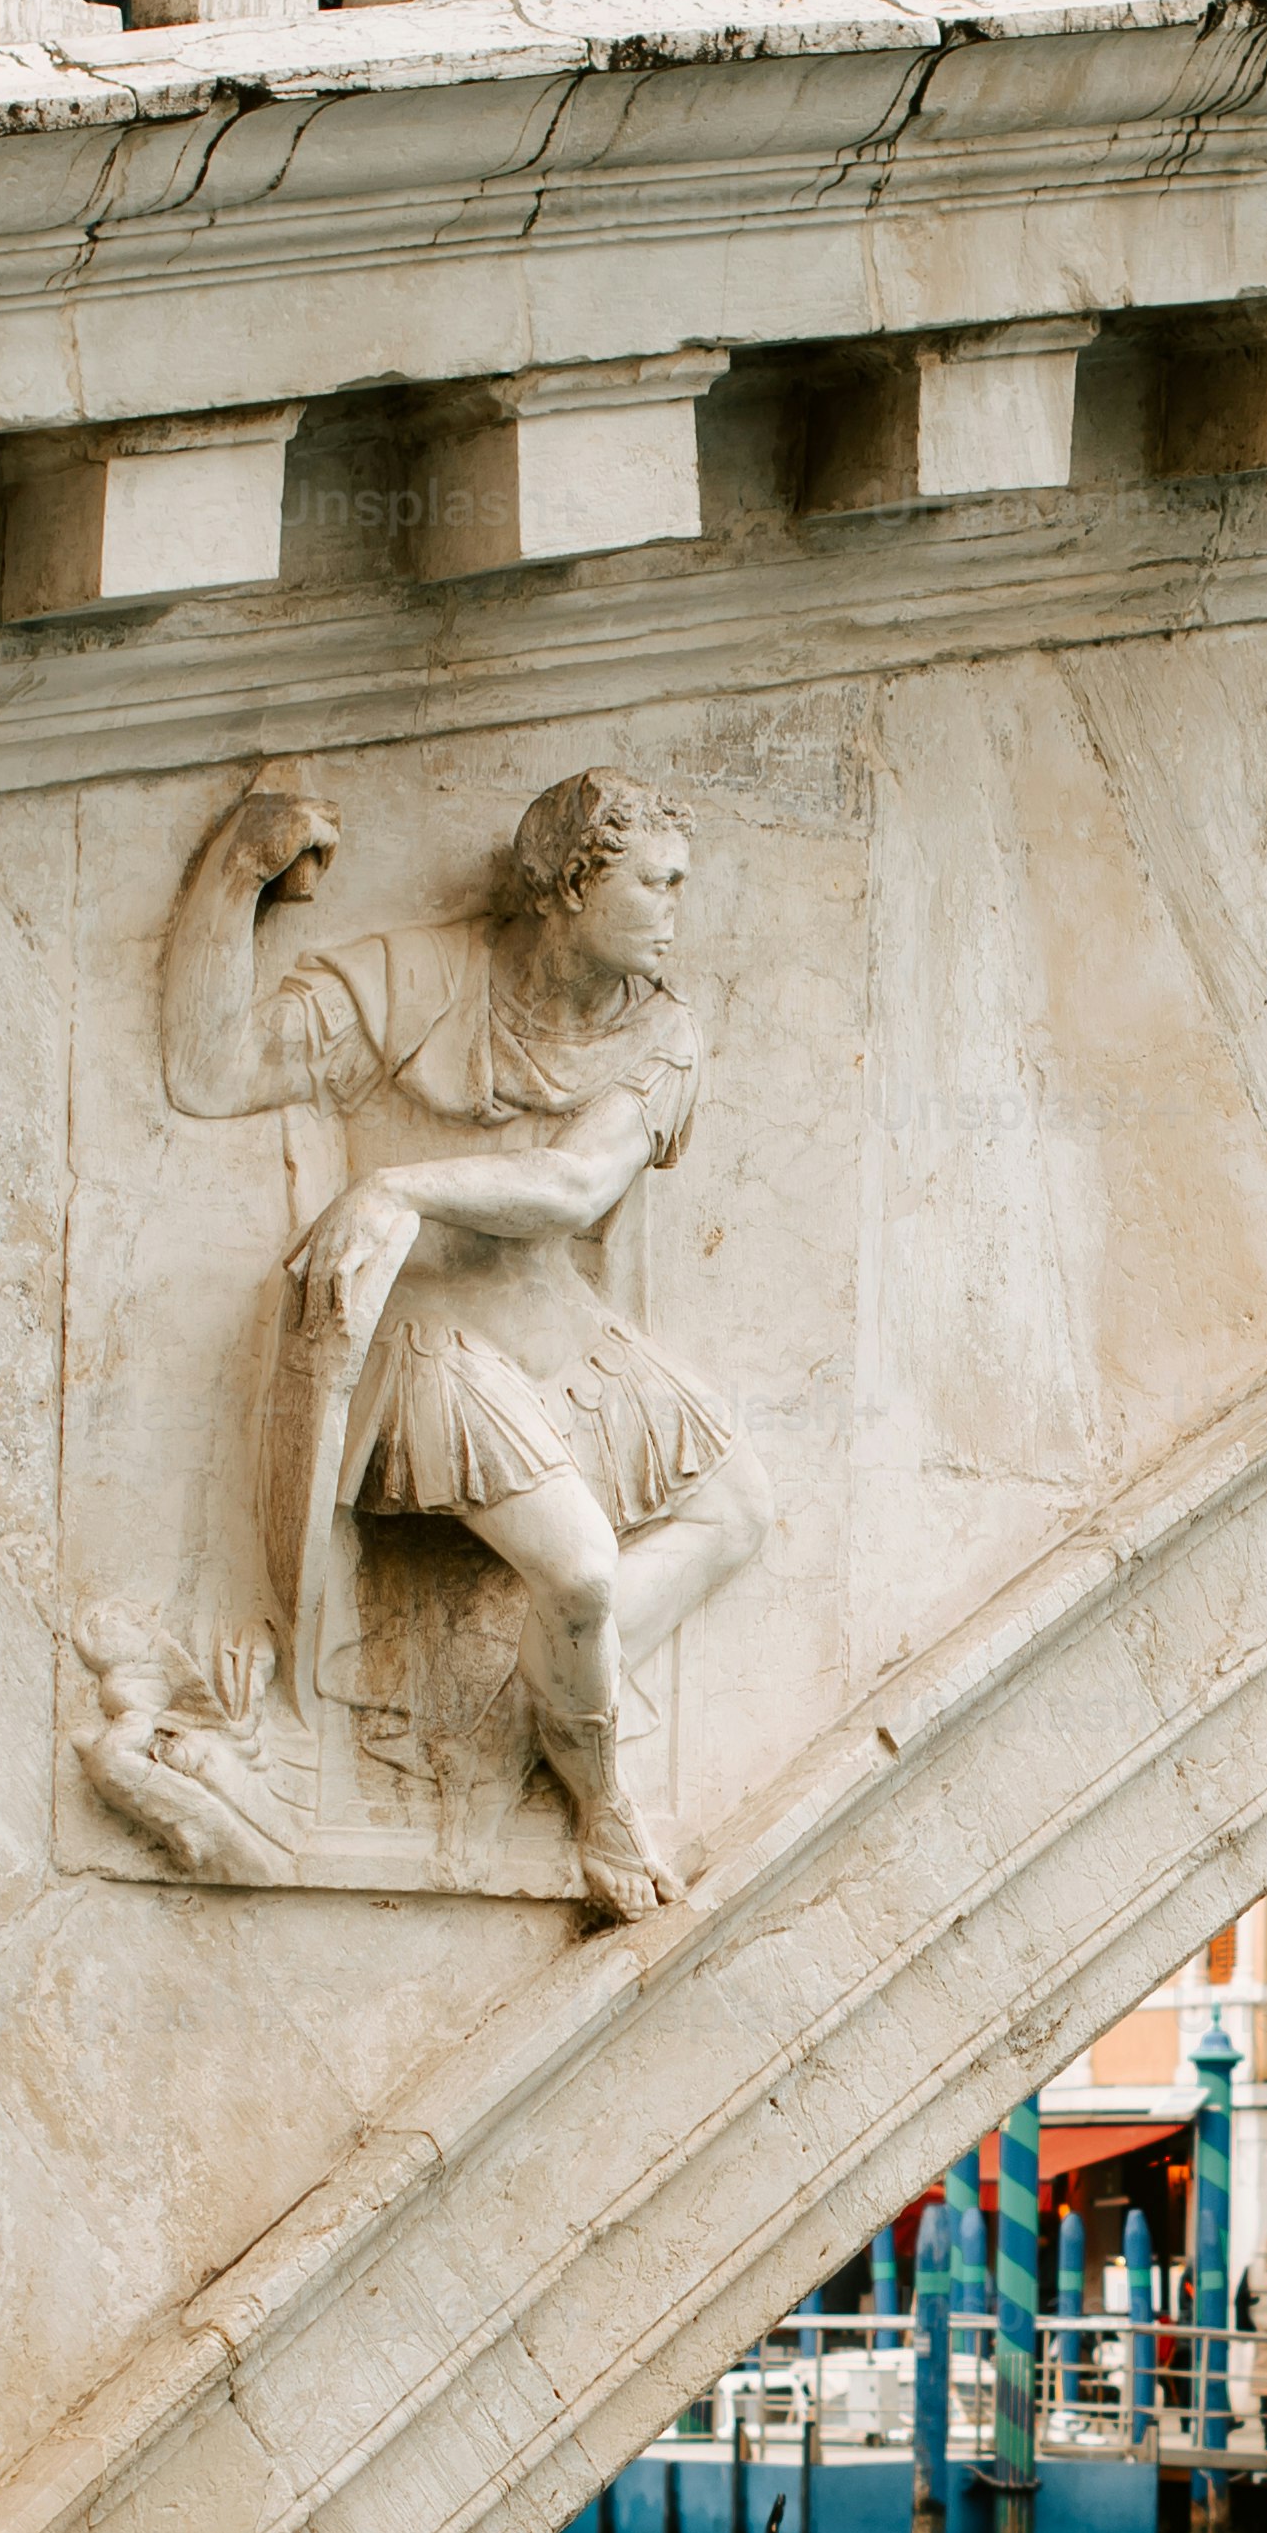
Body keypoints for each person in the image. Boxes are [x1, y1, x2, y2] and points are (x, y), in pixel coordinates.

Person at [163, 761, 772, 1922]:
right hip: (427, 1346)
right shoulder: (416, 980)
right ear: (566, 886)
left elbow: (578, 1182)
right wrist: (234, 876)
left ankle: (561, 1678)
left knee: (736, 1510)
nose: (676, 911)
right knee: (586, 1566)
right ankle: (600, 1790)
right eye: (655, 883)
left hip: (563, 1337)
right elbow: (209, 1071)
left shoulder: (664, 1030)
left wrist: (396, 1186)